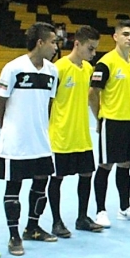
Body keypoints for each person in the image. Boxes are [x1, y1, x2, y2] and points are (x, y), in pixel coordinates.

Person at [0, 22, 59, 256]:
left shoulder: (53, 71)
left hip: (40, 141)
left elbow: (49, 104)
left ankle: (32, 227)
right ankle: (14, 236)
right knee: (14, 186)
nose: (55, 46)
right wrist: (6, 128)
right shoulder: (13, 68)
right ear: (40, 43)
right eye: (53, 42)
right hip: (16, 143)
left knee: (41, 183)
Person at [47, 25, 104, 237]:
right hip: (61, 134)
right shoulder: (58, 68)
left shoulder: (88, 70)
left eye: (95, 49)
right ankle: (56, 221)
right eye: (90, 48)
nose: (93, 53)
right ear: (77, 44)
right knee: (57, 177)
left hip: (82, 134)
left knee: (87, 174)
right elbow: (48, 102)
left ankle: (82, 217)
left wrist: (98, 119)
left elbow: (91, 98)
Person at [89, 20, 130, 227]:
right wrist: (100, 117)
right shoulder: (106, 62)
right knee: (105, 165)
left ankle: (124, 207)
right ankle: (100, 211)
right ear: (116, 37)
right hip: (112, 122)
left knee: (126, 165)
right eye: (126, 34)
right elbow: (93, 93)